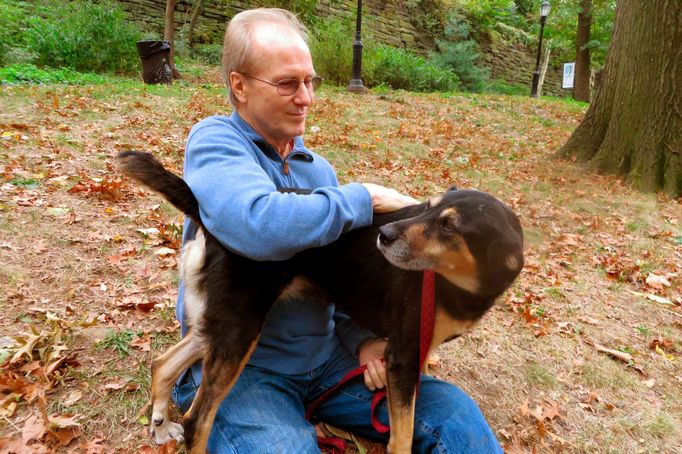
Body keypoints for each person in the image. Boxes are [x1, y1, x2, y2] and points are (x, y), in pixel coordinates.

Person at [172, 7, 503, 454]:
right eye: (288, 83)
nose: (306, 97)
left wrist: (364, 340)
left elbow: (340, 273)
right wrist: (362, 197)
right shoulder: (215, 143)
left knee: (454, 420)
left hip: (328, 363)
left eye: (310, 81)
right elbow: (257, 225)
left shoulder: (319, 171)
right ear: (240, 86)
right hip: (246, 368)